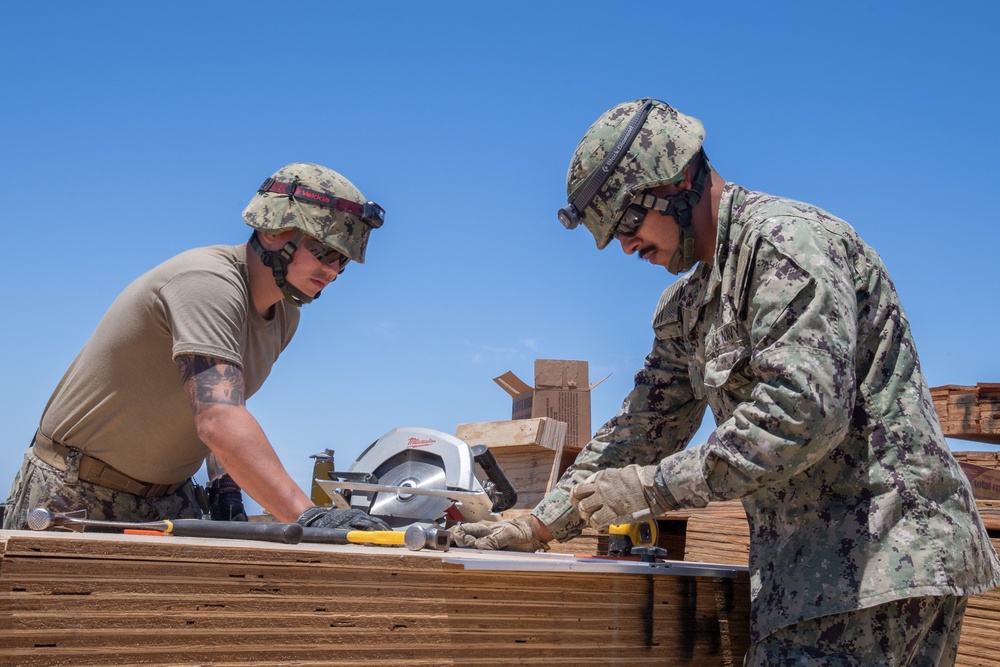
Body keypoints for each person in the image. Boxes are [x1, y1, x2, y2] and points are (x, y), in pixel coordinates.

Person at [452, 99, 1000, 664]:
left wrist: (654, 488)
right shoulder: (688, 308)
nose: (625, 246)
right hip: (827, 576)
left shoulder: (788, 246)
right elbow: (640, 431)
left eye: (629, 222)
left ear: (678, 183)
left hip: (876, 564)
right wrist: (540, 525)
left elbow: (802, 415)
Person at [4, 162, 389, 533]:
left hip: (170, 500)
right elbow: (218, 420)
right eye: (323, 251)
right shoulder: (206, 283)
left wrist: (225, 486)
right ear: (273, 232)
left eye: (343, 261)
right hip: (75, 495)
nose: (333, 271)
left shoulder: (285, 314)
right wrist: (307, 516)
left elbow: (214, 401)